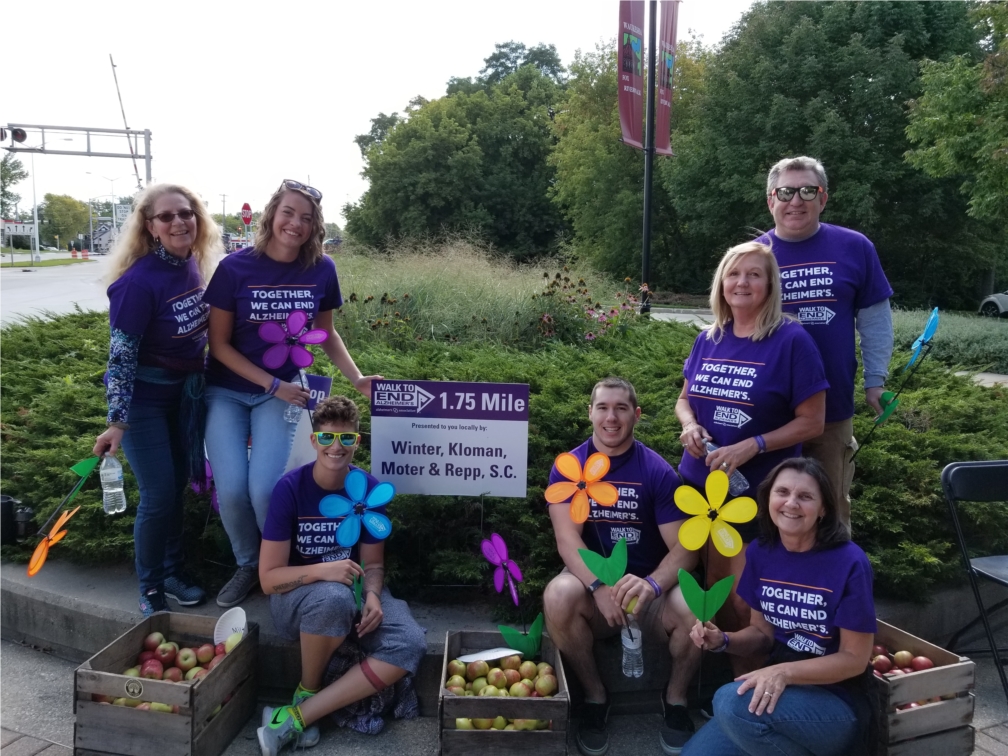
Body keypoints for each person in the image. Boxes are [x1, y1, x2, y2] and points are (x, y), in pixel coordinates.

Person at [203, 180, 381, 608]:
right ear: (271, 215)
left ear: (315, 226)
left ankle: (285, 571)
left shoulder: (321, 269)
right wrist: (272, 384)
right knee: (230, 490)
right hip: (228, 391)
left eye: (306, 218)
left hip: (282, 395)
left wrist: (356, 378)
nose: (295, 224)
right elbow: (219, 345)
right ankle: (249, 565)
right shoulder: (234, 268)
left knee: (265, 489)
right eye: (288, 213)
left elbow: (327, 334)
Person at [255, 395, 426, 756]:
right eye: (329, 438)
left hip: (353, 593)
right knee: (332, 595)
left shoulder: (367, 488)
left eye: (347, 439)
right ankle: (308, 689)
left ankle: (298, 716)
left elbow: (374, 565)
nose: (337, 447)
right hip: (298, 602)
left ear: (357, 442)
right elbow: (269, 579)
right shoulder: (290, 490)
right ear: (314, 440)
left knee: (410, 641)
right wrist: (323, 571)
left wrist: (374, 597)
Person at [675, 240, 828, 637]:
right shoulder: (709, 338)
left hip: (755, 494)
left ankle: (746, 689)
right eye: (733, 273)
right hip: (698, 489)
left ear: (770, 285)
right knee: (708, 594)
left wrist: (753, 445)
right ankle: (715, 683)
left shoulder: (792, 340)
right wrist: (690, 424)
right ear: (721, 283)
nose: (742, 282)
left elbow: (813, 423)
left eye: (754, 274)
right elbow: (683, 400)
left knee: (744, 604)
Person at [543, 377, 700, 756]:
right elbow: (568, 541)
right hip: (595, 592)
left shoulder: (657, 471)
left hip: (650, 596)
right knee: (558, 594)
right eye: (603, 408)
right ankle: (595, 698)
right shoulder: (569, 467)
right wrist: (597, 587)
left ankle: (676, 700)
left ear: (637, 415)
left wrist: (653, 585)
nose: (611, 417)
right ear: (590, 413)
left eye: (621, 408)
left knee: (696, 606)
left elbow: (686, 549)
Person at [682, 457, 878, 756]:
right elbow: (762, 634)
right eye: (782, 492)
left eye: (805, 496)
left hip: (836, 701)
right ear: (768, 499)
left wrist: (784, 672)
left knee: (728, 703)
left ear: (824, 508)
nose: (791, 503)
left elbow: (854, 659)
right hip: (778, 692)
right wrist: (722, 640)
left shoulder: (849, 561)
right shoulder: (762, 552)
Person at [93, 184, 222, 616]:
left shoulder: (194, 266)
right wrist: (118, 420)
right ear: (150, 228)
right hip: (143, 405)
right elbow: (122, 355)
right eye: (166, 217)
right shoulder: (137, 283)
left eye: (185, 213)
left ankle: (172, 572)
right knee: (159, 493)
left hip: (183, 398)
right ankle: (150, 587)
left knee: (178, 486)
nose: (178, 222)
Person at [761, 156, 894, 527]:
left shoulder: (855, 247)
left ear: (823, 198)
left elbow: (875, 319)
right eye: (785, 192)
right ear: (771, 201)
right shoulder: (755, 256)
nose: (796, 201)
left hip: (830, 412)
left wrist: (875, 381)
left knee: (829, 508)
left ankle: (832, 583)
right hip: (765, 412)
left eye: (807, 190)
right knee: (763, 512)